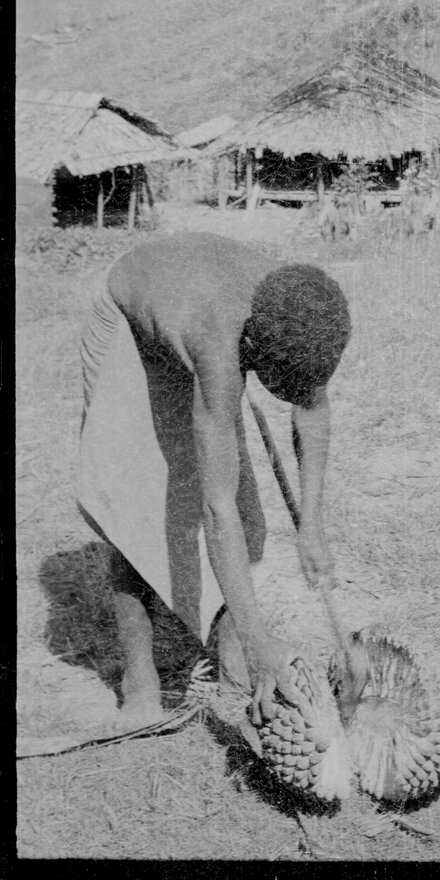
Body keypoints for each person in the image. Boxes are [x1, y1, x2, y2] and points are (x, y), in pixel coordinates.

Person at [77, 231, 367, 731]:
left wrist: (311, 525)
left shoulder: (304, 311)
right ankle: (141, 683)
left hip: (195, 297)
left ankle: (234, 653)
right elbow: (217, 507)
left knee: (247, 515)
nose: (300, 395)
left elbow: (313, 408)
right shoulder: (219, 344)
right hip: (127, 317)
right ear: (254, 355)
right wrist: (264, 646)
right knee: (138, 504)